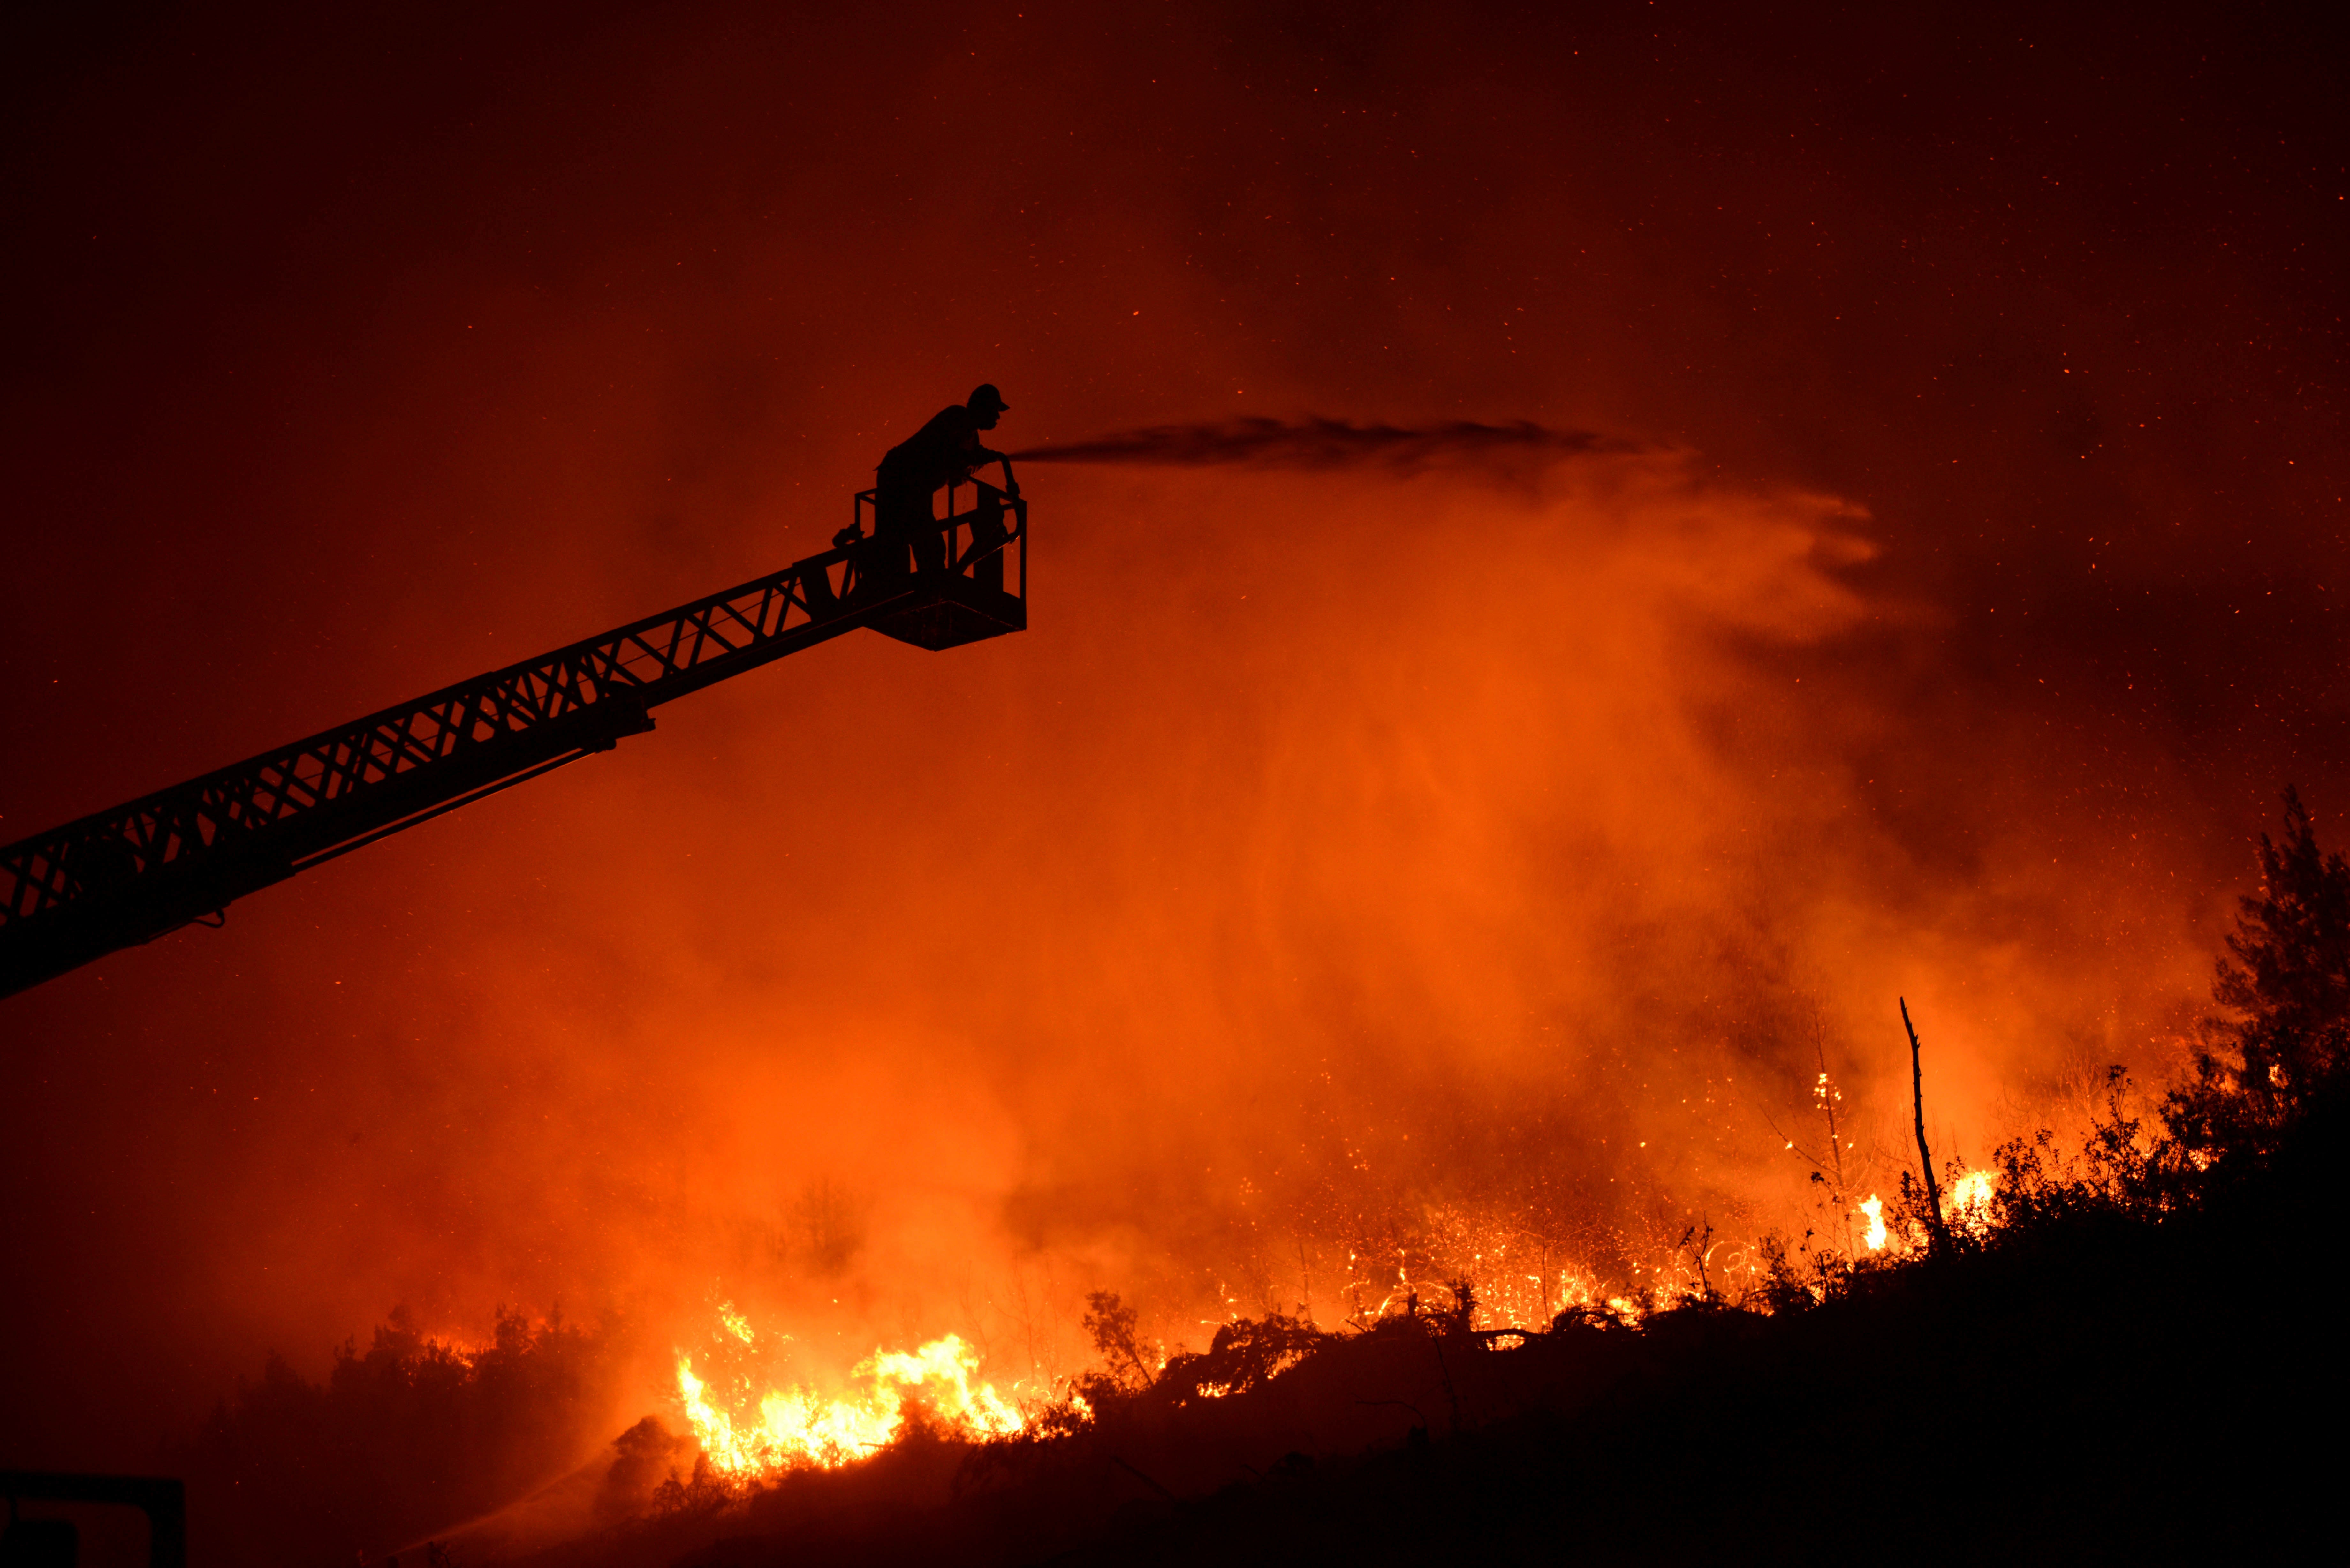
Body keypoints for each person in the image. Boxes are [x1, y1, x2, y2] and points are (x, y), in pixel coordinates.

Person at [872, 384, 1016, 577]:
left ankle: (903, 581)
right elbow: (947, 455)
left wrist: (977, 461)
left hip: (915, 485)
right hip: (901, 478)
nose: (998, 418)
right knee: (911, 545)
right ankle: (916, 585)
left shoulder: (971, 437)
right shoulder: (957, 417)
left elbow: (956, 480)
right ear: (983, 407)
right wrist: (974, 458)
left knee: (916, 544)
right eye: (995, 411)